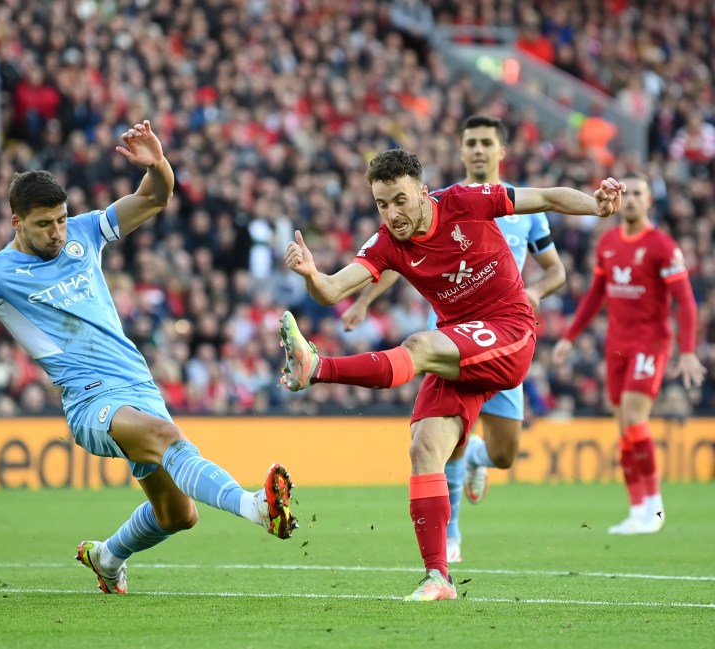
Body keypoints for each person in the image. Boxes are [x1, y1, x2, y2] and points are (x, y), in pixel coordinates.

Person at [0, 120, 298, 594]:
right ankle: (255, 506)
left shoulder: (85, 233)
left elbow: (156, 197)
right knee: (166, 437)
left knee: (178, 516)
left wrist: (159, 163)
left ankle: (107, 558)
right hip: (90, 402)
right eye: (45, 225)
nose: (58, 233)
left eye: (61, 220)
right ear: (17, 222)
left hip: (139, 385)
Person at [278, 147, 622, 601]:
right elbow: (331, 289)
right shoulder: (387, 243)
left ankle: (318, 368)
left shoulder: (466, 200)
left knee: (419, 346)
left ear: (422, 191)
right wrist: (309, 273)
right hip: (459, 345)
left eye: (400, 200)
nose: (392, 213)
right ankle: (439, 577)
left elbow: (548, 198)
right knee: (424, 449)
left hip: (510, 329)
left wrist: (595, 206)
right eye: (382, 204)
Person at [340, 115, 567, 564]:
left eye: (486, 142)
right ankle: (451, 536)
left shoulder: (521, 211)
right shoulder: (431, 203)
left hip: (502, 330)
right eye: (470, 143)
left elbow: (556, 271)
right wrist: (365, 301)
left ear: (501, 151)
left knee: (503, 453)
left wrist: (534, 293)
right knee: (443, 440)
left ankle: (482, 461)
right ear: (461, 151)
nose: (478, 150)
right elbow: (395, 260)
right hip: (448, 330)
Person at [552, 172, 705, 535]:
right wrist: (569, 336)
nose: (632, 199)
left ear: (650, 201)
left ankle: (654, 509)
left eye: (639, 193)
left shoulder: (662, 246)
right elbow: (595, 295)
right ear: (619, 200)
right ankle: (637, 508)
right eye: (628, 193)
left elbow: (685, 301)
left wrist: (686, 351)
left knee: (635, 420)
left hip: (650, 343)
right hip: (616, 345)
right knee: (624, 429)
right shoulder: (608, 243)